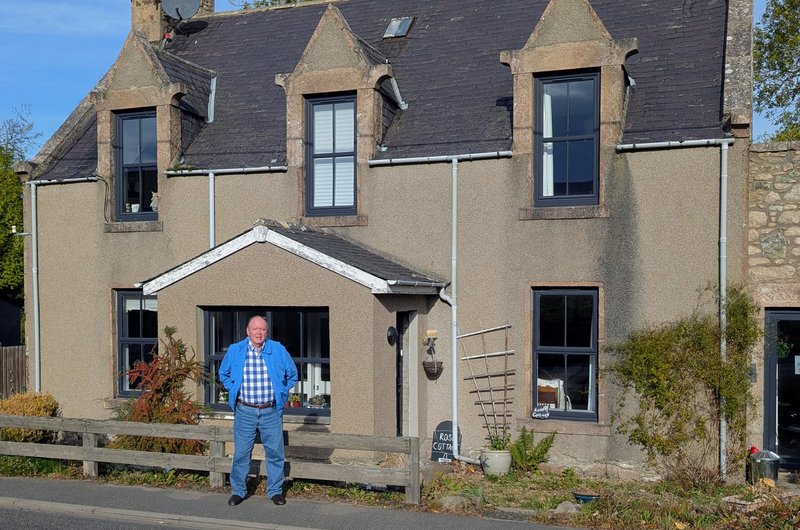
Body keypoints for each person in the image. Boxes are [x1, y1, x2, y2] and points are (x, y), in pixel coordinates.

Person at [219, 315, 298, 507]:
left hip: (270, 411)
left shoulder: (277, 349)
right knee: (241, 454)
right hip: (244, 410)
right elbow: (223, 374)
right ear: (248, 331)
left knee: (275, 453)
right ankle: (238, 491)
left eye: (262, 329)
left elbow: (293, 375)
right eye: (255, 329)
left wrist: (281, 391)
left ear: (266, 331)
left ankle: (275, 491)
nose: (259, 332)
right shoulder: (236, 350)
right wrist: (233, 388)